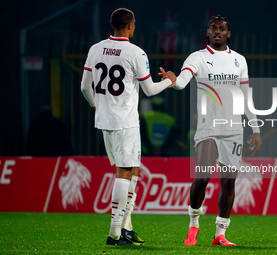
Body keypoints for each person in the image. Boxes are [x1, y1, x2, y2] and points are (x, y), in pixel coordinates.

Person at [81, 8, 176, 245]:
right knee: (124, 172)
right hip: (125, 122)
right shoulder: (135, 52)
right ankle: (114, 234)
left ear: (112, 24)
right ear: (131, 25)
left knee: (133, 169)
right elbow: (149, 90)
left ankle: (126, 226)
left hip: (105, 121)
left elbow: (85, 87)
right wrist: (169, 81)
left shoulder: (95, 49)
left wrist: (96, 107)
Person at [166, 15, 262, 246]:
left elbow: (246, 97)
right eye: (213, 28)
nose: (217, 32)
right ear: (207, 33)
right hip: (208, 129)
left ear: (229, 33)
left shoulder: (239, 60)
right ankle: (193, 225)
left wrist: (255, 128)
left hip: (233, 131)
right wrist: (174, 80)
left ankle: (220, 233)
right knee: (202, 178)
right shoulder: (197, 58)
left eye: (222, 29)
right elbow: (182, 81)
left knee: (228, 183)